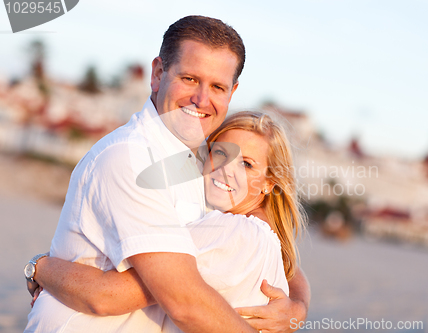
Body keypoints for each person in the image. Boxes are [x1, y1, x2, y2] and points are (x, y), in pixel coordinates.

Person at [24, 15, 310, 333]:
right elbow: (178, 300)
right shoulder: (130, 159)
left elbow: (268, 247)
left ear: (232, 92)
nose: (202, 99)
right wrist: (41, 267)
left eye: (217, 86)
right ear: (158, 73)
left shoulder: (203, 164)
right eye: (189, 79)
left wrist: (297, 306)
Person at [30, 111, 307, 333]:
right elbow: (295, 274)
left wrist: (40, 267)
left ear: (269, 184)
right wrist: (300, 309)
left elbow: (105, 296)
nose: (226, 169)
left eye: (246, 164)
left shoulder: (230, 232)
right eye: (222, 153)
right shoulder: (267, 242)